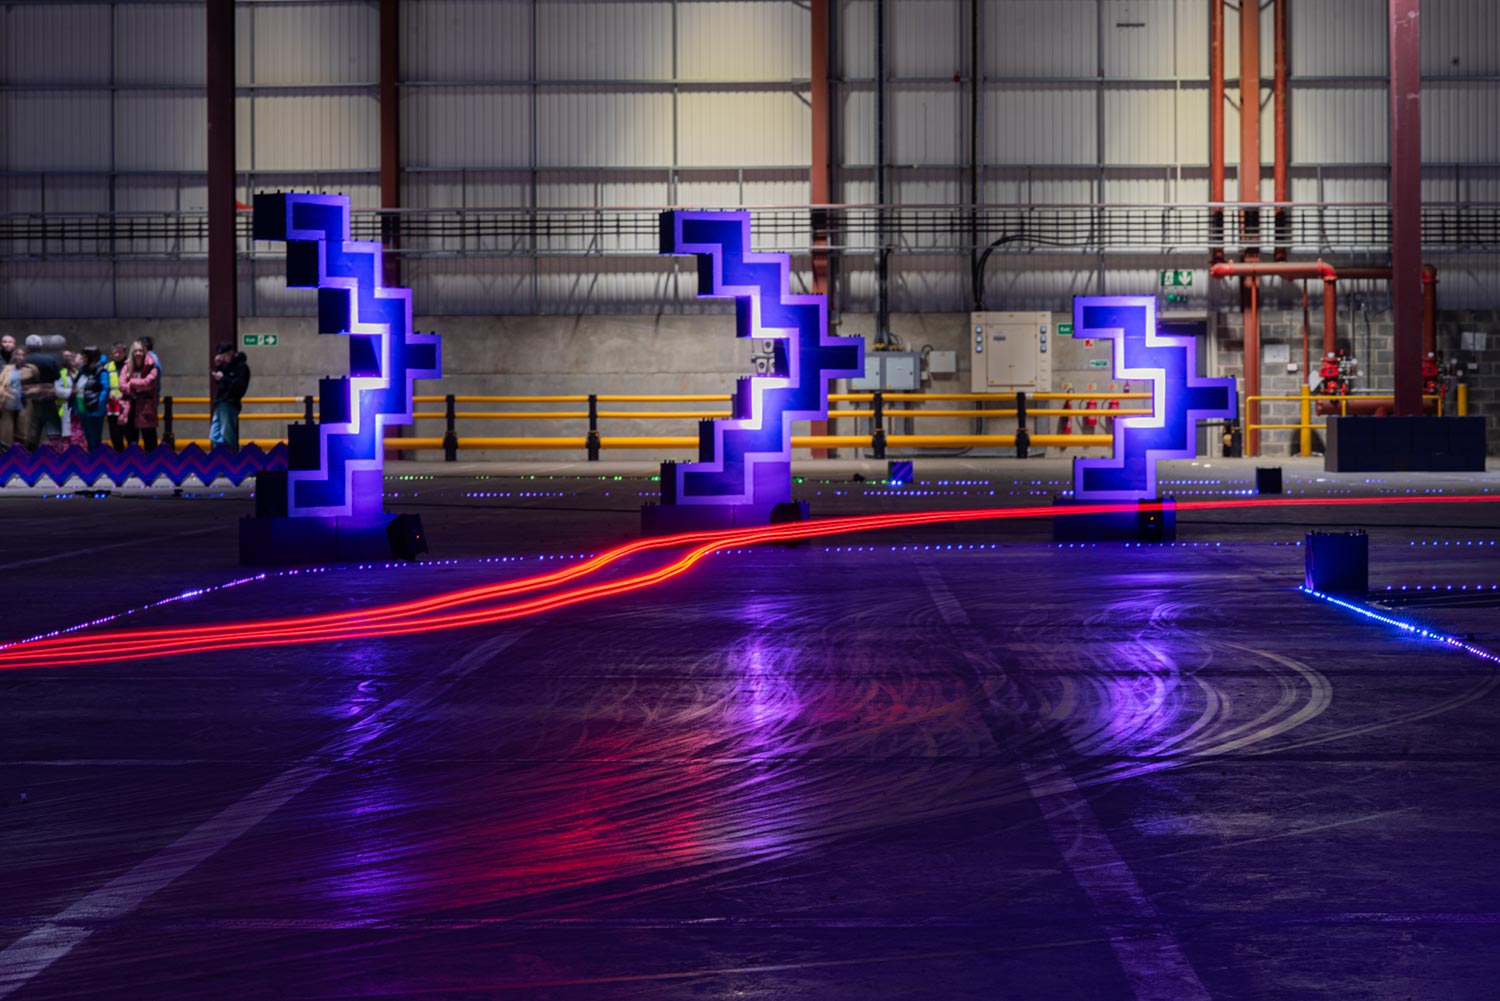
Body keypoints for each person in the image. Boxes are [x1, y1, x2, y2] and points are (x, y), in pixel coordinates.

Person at [21, 335, 62, 450]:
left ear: (27, 347)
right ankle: (57, 457)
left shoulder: (22, 361)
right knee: (53, 430)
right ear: (40, 346)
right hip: (48, 400)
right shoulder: (49, 360)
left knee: (31, 433)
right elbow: (57, 378)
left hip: (29, 403)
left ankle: (30, 460)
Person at [119, 340, 161, 451]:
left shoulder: (152, 366)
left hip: (146, 409)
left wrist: (131, 383)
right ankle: (133, 464)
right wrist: (136, 389)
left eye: (140, 351)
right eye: (136, 351)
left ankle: (152, 465)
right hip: (130, 407)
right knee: (131, 439)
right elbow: (122, 385)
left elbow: (149, 383)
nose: (138, 353)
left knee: (150, 439)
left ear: (145, 352)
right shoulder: (126, 366)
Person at [210, 340, 250, 451]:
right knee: (214, 435)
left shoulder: (241, 367)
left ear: (230, 353)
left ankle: (231, 459)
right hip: (221, 403)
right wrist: (218, 368)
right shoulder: (226, 366)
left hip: (230, 403)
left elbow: (238, 386)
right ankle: (220, 456)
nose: (222, 358)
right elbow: (222, 383)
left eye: (224, 355)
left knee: (227, 434)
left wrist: (223, 378)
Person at [74, 346, 109, 451]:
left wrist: (98, 404)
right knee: (88, 437)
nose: (82, 358)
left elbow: (105, 389)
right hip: (82, 407)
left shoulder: (101, 371)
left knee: (95, 438)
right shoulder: (81, 370)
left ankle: (96, 461)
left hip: (95, 409)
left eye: (84, 356)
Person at [0, 346, 26, 449]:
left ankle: (23, 452)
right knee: (7, 429)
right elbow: (1, 384)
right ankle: (6, 450)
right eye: (18, 354)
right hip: (8, 400)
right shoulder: (7, 369)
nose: (20, 357)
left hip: (24, 402)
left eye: (23, 355)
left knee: (23, 429)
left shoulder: (30, 369)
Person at [104, 342, 127, 449]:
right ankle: (119, 457)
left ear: (125, 352)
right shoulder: (107, 367)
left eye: (120, 352)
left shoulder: (131, 365)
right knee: (115, 433)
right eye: (115, 353)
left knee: (129, 432)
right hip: (113, 404)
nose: (117, 355)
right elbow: (103, 383)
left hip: (127, 403)